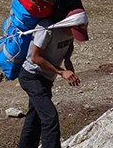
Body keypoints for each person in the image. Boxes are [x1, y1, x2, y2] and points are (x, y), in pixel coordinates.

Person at [18, 8, 89, 148]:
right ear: (69, 24)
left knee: (35, 119)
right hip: (31, 76)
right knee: (50, 117)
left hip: (46, 79)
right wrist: (61, 72)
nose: (74, 35)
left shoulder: (69, 31)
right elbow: (35, 57)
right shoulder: (46, 29)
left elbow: (69, 46)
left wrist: (68, 62)